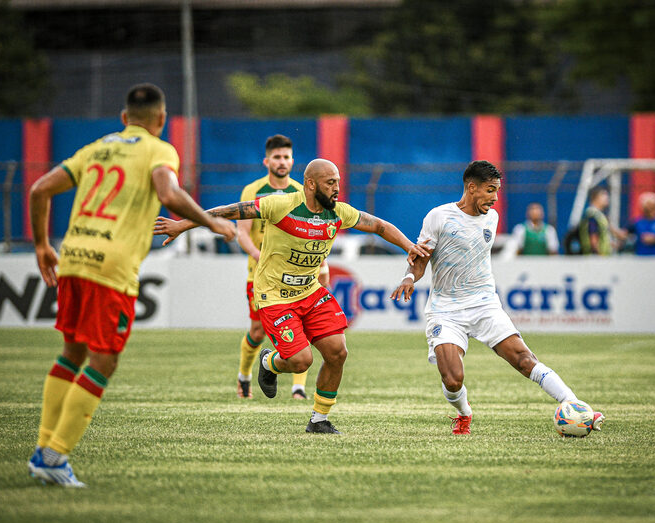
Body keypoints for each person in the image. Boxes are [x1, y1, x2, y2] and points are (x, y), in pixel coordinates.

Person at [27, 83, 236, 487]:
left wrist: (41, 245)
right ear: (161, 120)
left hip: (73, 258)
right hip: (112, 268)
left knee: (72, 352)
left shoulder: (95, 148)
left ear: (124, 118)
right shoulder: (159, 149)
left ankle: (44, 450)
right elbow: (168, 192)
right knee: (103, 361)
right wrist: (211, 222)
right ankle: (54, 457)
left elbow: (39, 189)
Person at [155, 158, 429, 434]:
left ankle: (319, 420)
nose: (337, 188)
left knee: (337, 352)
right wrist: (182, 225)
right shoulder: (280, 205)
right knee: (301, 361)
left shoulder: (339, 213)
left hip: (311, 292)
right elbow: (227, 211)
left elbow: (379, 226)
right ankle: (268, 362)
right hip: (275, 296)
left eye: (338, 182)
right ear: (311, 184)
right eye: (330, 182)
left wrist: (409, 245)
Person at [390, 160, 604, 435]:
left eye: (497, 191)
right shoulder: (439, 217)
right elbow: (421, 258)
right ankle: (464, 413)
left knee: (525, 359)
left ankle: (575, 406)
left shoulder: (492, 217)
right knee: (453, 379)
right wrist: (409, 277)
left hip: (484, 304)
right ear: (471, 187)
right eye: (490, 190)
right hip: (446, 309)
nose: (495, 198)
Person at [234, 134, 328, 400]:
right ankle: (244, 376)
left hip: (296, 275)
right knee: (256, 331)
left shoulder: (301, 192)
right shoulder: (253, 191)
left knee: (303, 327)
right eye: (277, 157)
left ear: (292, 161)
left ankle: (298, 388)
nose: (282, 161)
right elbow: (242, 232)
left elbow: (313, 230)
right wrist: (257, 254)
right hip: (261, 276)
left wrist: (321, 264)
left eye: (286, 157)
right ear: (267, 161)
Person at [578, 186, 626, 255]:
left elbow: (603, 237)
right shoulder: (592, 214)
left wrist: (613, 245)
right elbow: (593, 237)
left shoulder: (600, 215)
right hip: (596, 258)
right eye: (603, 195)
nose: (607, 198)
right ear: (595, 197)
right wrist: (598, 253)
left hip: (603, 256)